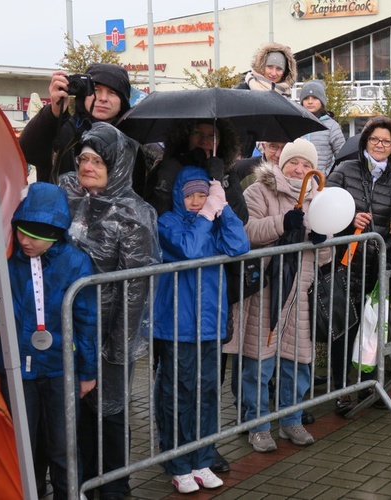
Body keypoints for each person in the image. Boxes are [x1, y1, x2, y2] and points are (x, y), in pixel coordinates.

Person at [60, 122, 161, 499]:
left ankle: (115, 487)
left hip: (108, 333)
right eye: (83, 158)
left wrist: (117, 349)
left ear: (116, 165)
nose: (87, 166)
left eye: (97, 161)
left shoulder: (134, 214)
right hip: (68, 329)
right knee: (76, 413)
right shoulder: (68, 196)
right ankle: (81, 483)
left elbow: (136, 289)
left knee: (109, 412)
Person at [144, 119, 247, 473]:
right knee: (178, 391)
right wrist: (206, 211)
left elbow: (239, 244)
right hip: (178, 322)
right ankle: (177, 461)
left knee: (206, 391)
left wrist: (223, 203)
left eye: (212, 135)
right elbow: (188, 249)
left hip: (210, 321)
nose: (196, 200)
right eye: (189, 194)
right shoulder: (169, 221)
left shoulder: (214, 205)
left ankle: (202, 457)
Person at [0, 183, 97, 500]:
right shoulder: (7, 259)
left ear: (56, 232)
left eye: (36, 235)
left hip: (58, 370)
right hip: (16, 372)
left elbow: (87, 321)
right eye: (21, 231)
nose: (25, 241)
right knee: (26, 448)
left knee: (63, 446)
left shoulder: (76, 262)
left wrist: (87, 372)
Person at [223, 139, 322, 453]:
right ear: (282, 163)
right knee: (258, 364)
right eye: (294, 162)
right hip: (265, 291)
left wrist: (323, 240)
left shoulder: (318, 199)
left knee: (297, 363)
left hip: (298, 294)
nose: (299, 169)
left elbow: (326, 257)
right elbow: (247, 232)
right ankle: (258, 424)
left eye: (306, 165)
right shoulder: (258, 190)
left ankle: (291, 419)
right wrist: (282, 223)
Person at [325, 116, 391, 414]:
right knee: (343, 330)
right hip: (343, 264)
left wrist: (385, 247)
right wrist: (350, 221)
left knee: (372, 329)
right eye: (375, 139)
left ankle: (366, 385)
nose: (380, 145)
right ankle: (340, 391)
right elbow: (324, 208)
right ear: (365, 142)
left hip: (377, 269)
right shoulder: (344, 170)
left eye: (386, 141)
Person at [19, 63, 146, 195]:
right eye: (96, 90)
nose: (103, 98)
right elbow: (26, 152)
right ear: (83, 94)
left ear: (122, 101)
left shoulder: (131, 142)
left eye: (112, 92)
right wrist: (53, 113)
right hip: (59, 213)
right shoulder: (61, 129)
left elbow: (137, 191)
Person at [299, 80, 346, 174]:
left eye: (315, 98)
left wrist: (328, 174)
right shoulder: (296, 123)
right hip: (297, 179)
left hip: (322, 182)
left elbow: (342, 155)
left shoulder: (332, 126)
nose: (310, 102)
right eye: (306, 98)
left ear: (322, 101)